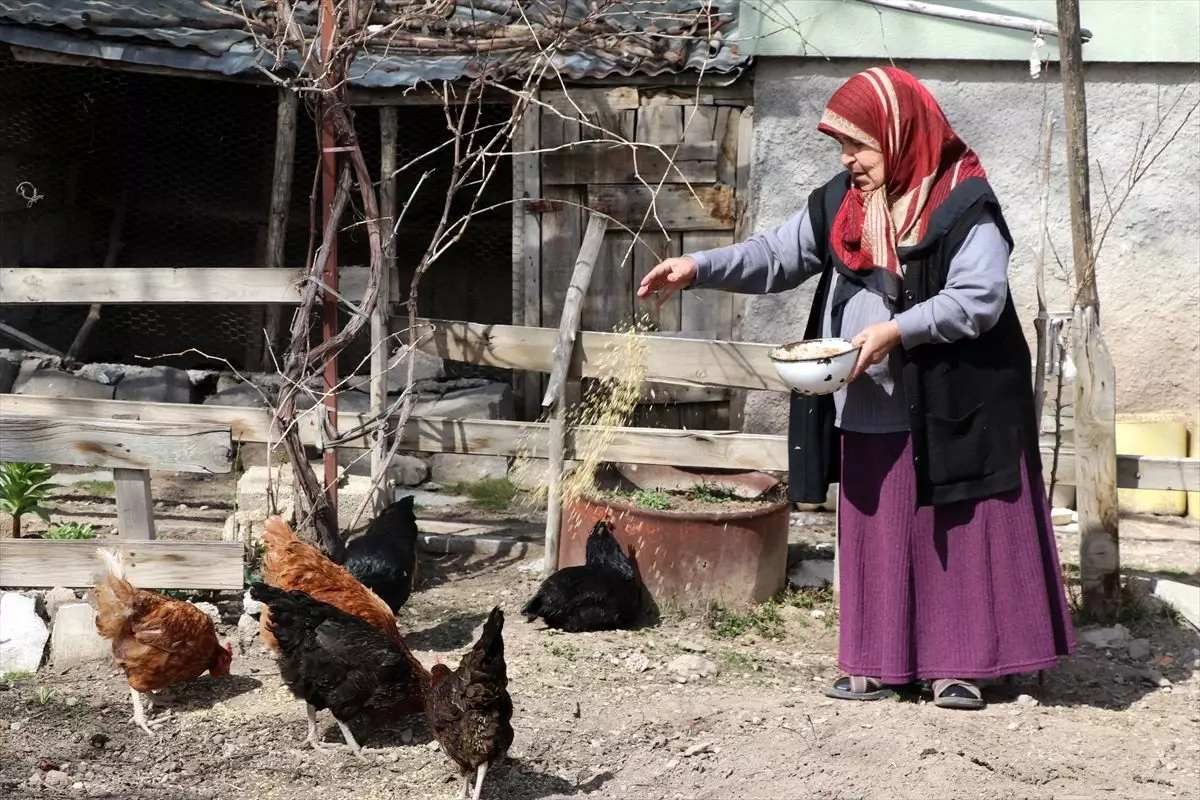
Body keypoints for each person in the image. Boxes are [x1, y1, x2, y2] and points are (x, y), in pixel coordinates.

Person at [637, 66, 1076, 710]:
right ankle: (874, 661)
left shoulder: (963, 201)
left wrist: (898, 330)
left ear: (900, 136)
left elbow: (979, 299)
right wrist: (697, 266)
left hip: (957, 405)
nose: (848, 160)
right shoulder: (841, 202)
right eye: (840, 147)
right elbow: (777, 255)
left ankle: (960, 665)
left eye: (858, 145)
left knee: (947, 527)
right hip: (867, 400)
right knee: (876, 526)